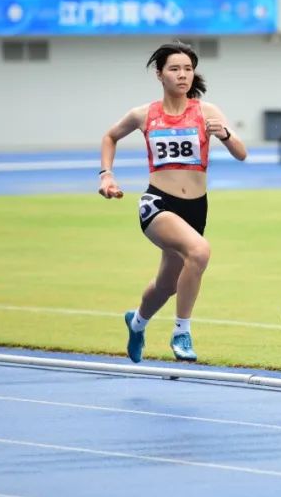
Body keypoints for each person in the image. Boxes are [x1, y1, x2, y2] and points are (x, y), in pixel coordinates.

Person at [98, 41, 247, 363]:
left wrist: (224, 134)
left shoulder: (207, 111)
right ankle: (182, 331)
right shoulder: (144, 115)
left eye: (188, 69)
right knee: (200, 251)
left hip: (196, 208)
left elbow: (241, 153)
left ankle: (137, 322)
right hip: (157, 204)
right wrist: (106, 175)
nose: (183, 75)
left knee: (167, 285)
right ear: (159, 74)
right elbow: (110, 136)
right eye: (175, 69)